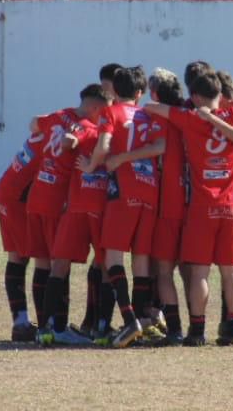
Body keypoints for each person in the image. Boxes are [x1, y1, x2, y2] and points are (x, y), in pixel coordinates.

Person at [145, 72, 233, 346]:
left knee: (200, 272)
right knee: (231, 272)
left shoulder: (191, 117)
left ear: (195, 97)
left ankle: (197, 331)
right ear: (220, 94)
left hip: (202, 207)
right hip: (231, 207)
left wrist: (200, 113)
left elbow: (150, 107)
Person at [77, 66, 165, 348]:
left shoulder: (110, 113)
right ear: (139, 93)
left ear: (114, 91)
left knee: (113, 257)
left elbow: (103, 145)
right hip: (149, 190)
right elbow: (160, 146)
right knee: (141, 259)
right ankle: (141, 320)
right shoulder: (148, 114)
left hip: (122, 191)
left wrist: (92, 165)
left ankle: (130, 321)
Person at [36, 84, 111, 346]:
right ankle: (101, 329)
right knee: (105, 266)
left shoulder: (59, 115)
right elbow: (73, 139)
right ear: (97, 107)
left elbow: (35, 124)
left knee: (58, 265)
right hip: (93, 207)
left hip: (69, 203)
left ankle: (45, 328)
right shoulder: (92, 127)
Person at [0, 131, 45, 341]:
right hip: (17, 199)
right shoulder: (66, 133)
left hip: (4, 191)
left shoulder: (49, 125)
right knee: (43, 256)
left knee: (17, 258)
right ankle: (39, 325)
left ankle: (20, 322)